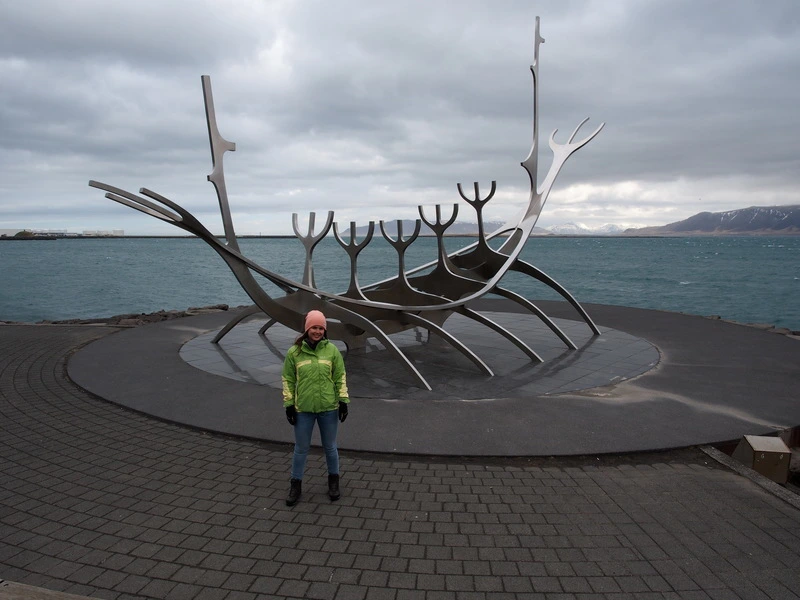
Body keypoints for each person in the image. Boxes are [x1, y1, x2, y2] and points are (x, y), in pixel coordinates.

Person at [281, 309, 349, 506]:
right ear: (307, 329)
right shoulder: (295, 352)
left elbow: (340, 377)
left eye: (321, 328)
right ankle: (295, 485)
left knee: (330, 447)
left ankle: (334, 483)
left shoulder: (332, 351)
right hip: (304, 409)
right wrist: (289, 405)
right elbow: (288, 379)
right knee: (301, 449)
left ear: (325, 330)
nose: (317, 331)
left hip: (329, 407)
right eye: (314, 327)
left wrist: (343, 401)